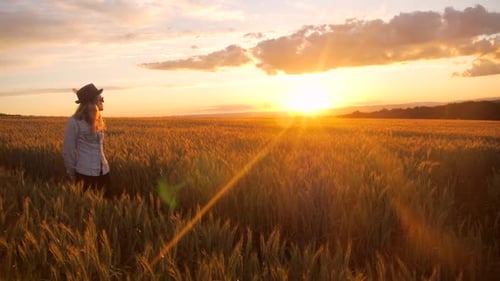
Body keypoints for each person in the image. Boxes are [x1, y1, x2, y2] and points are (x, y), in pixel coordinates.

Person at [63, 83, 110, 194]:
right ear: (92, 101)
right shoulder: (74, 122)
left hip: (104, 172)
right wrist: (73, 175)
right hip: (85, 175)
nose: (102, 101)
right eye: (100, 98)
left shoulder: (99, 121)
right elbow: (68, 151)